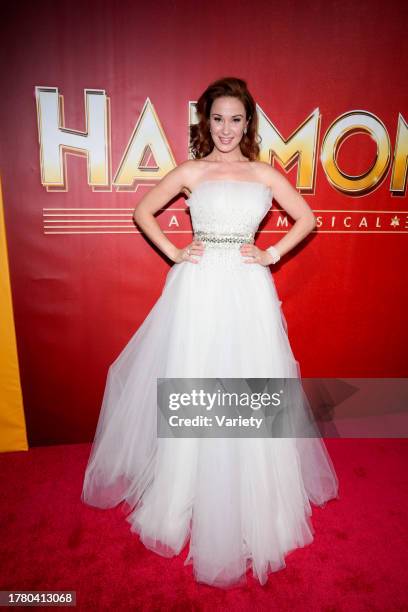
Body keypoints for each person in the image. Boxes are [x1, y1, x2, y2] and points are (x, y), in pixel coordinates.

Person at [81, 76, 339, 588]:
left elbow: (307, 217)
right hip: (196, 292)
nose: (226, 128)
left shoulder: (263, 173)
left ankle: (258, 505)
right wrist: (176, 252)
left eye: (235, 119)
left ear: (248, 123)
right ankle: (180, 495)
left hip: (248, 290)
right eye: (217, 119)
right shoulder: (192, 170)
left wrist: (272, 253)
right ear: (207, 122)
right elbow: (142, 211)